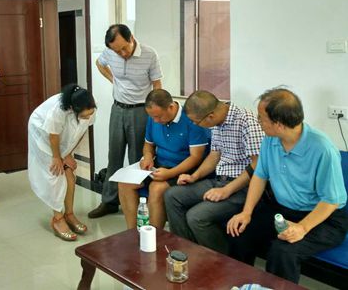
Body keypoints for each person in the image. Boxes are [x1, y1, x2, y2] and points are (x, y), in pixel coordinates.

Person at [227, 88, 348, 283]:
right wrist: (246, 212)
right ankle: (239, 284)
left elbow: (331, 200)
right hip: (284, 211)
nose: (258, 122)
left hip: (323, 218)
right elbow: (260, 176)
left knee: (283, 251)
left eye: (261, 118)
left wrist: (302, 228)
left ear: (278, 124)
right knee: (240, 231)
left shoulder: (322, 149)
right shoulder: (270, 140)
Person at [164, 90, 264, 254]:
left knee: (196, 216)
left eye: (196, 122)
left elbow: (258, 165)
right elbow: (214, 155)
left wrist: (226, 190)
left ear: (210, 116)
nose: (195, 125)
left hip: (243, 187)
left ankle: (222, 261)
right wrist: (194, 176)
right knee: (172, 195)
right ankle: (186, 250)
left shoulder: (247, 121)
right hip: (219, 180)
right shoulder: (217, 122)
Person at [88, 24, 162, 219]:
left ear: (131, 38)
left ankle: (139, 204)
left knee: (138, 159)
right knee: (114, 156)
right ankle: (109, 201)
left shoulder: (149, 54)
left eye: (124, 48)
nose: (121, 53)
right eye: (116, 51)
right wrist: (114, 80)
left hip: (140, 111)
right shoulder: (110, 52)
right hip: (118, 109)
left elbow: (157, 84)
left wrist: (156, 114)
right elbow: (99, 63)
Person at [118, 89, 210, 229]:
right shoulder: (153, 118)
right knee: (125, 183)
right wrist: (148, 157)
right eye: (152, 117)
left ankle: (153, 235)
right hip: (159, 166)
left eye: (158, 116)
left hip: (184, 169)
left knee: (156, 188)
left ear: (171, 107)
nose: (155, 120)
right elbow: (148, 145)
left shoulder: (191, 119)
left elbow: (196, 157)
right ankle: (132, 232)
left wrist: (170, 173)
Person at [28, 84, 96, 241]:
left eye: (90, 114)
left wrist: (68, 153)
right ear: (72, 109)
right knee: (57, 174)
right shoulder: (58, 110)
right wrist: (57, 157)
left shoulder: (89, 105)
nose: (88, 117)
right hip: (42, 134)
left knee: (69, 174)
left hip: (58, 135)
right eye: (84, 116)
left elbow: (81, 130)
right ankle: (57, 219)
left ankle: (69, 214)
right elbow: (53, 136)